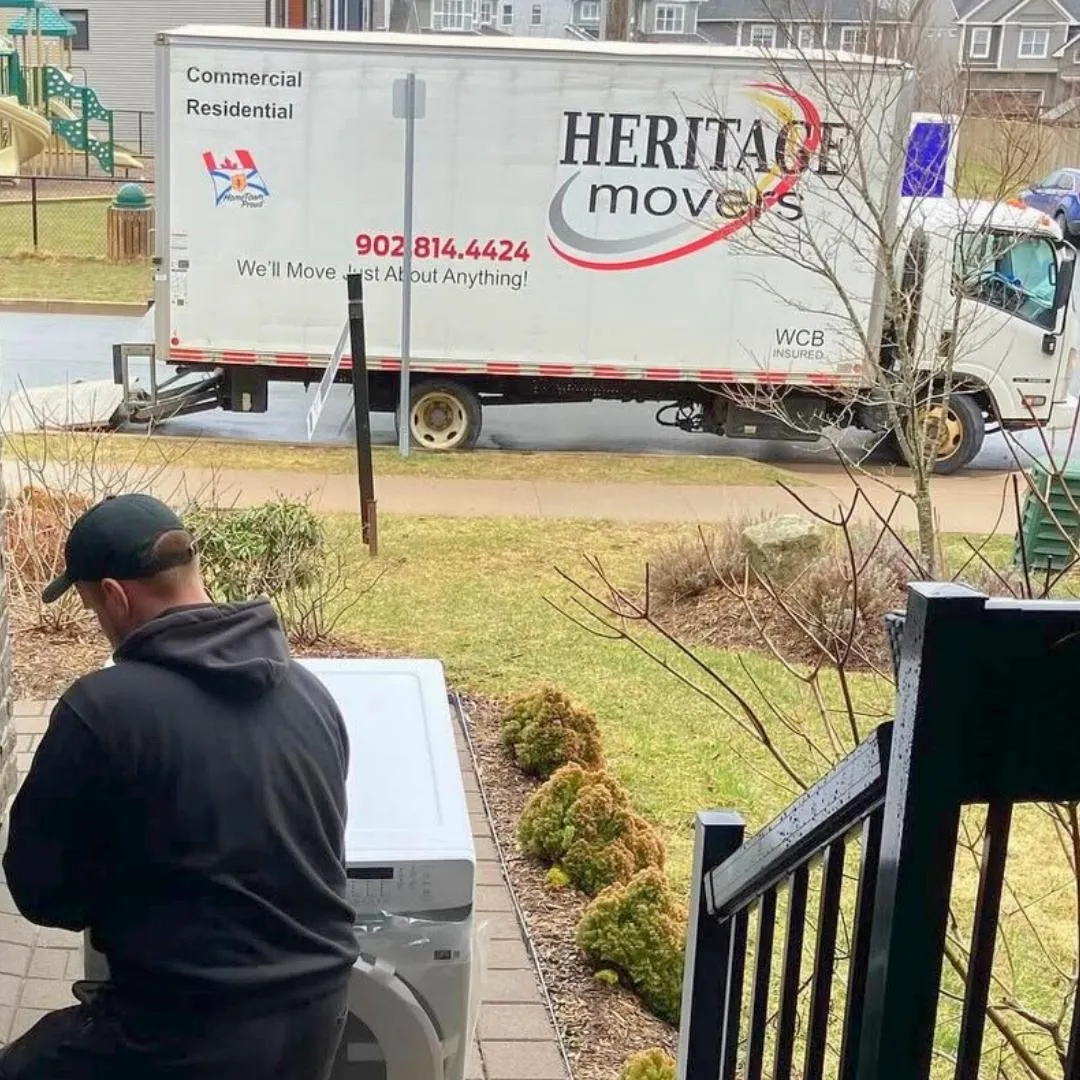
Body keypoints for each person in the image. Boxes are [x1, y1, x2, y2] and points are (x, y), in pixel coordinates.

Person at [0, 493, 360, 1080]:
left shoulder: (102, 710)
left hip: (179, 1031)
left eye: (93, 607)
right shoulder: (310, 695)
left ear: (115, 597)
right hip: (319, 1017)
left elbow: (44, 896)